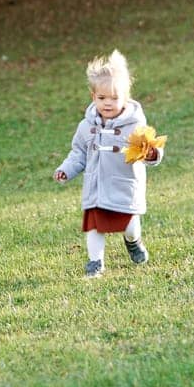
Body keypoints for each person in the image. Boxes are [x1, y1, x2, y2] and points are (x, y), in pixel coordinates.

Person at [53, 48, 164, 278]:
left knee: (130, 226)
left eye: (114, 98)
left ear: (125, 98)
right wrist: (66, 170)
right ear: (93, 97)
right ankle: (95, 262)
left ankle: (132, 241)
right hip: (97, 187)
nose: (108, 103)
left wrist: (152, 154)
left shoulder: (134, 126)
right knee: (95, 226)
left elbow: (150, 147)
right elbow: (78, 153)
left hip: (124, 185)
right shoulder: (86, 126)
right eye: (102, 98)